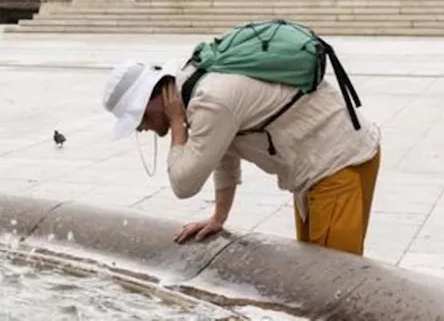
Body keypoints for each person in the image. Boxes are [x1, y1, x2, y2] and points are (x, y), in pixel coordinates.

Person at [102, 57, 381, 256]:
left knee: (330, 285)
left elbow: (183, 185)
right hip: (316, 168)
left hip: (337, 162)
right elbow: (222, 151)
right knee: (314, 277)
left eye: (141, 117)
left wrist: (177, 126)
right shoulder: (196, 85)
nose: (141, 127)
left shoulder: (208, 100)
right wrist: (218, 217)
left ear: (155, 98)